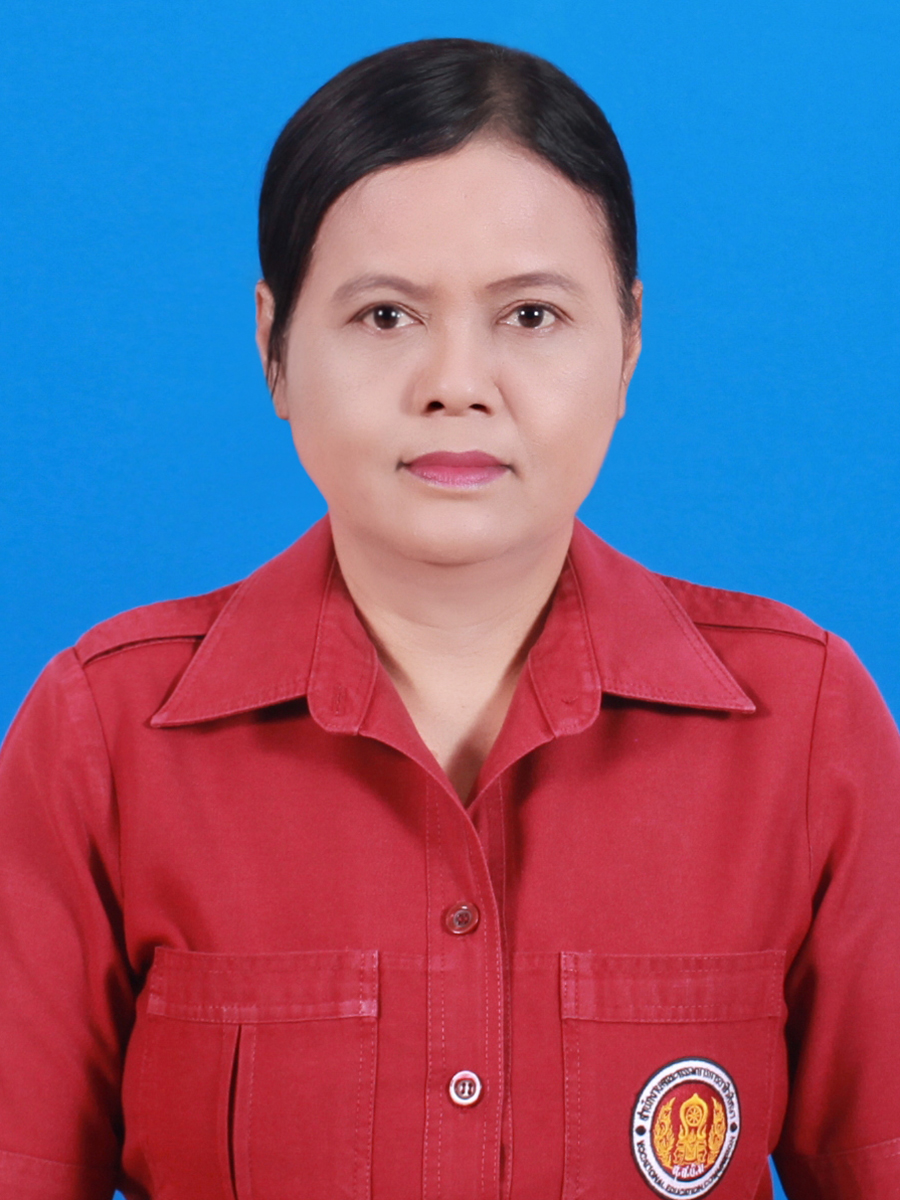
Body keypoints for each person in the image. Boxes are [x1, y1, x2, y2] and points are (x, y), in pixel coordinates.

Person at [0, 36, 898, 1200]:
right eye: (385, 316)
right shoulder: (105, 738)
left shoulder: (805, 727)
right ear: (274, 347)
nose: (456, 384)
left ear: (629, 339)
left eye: (531, 315)